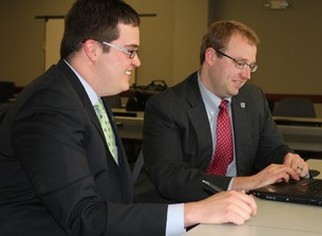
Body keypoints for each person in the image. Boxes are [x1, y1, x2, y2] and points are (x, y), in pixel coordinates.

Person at [0, 1, 257, 235]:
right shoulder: (49, 106)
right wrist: (197, 211)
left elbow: (114, 196)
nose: (137, 61)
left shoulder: (88, 97)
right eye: (130, 51)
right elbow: (83, 216)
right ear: (92, 49)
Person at [134, 20, 310, 203]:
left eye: (251, 66)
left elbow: (271, 148)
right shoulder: (166, 107)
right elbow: (172, 178)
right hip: (184, 209)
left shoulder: (252, 98)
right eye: (240, 63)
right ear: (211, 56)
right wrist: (244, 183)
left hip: (238, 208)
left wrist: (288, 157)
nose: (247, 75)